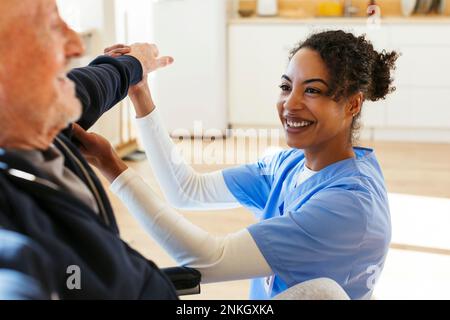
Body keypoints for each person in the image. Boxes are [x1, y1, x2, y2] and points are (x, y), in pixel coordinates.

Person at [74, 31, 398, 300]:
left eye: (312, 90)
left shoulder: (347, 206)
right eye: (286, 87)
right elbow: (187, 190)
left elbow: (208, 260)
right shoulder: (293, 163)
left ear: (353, 104)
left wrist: (110, 163)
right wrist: (141, 95)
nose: (291, 104)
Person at [0, 0, 177, 299]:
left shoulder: (36, 120)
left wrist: (136, 63)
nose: (76, 46)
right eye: (50, 27)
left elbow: (95, 85)